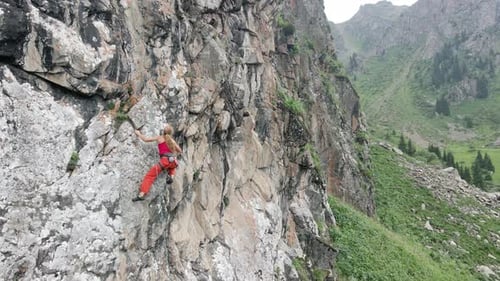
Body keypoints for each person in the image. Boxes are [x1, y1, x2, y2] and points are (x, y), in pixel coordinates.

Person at [132, 123, 182, 201]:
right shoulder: (172, 141)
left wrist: (138, 133)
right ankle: (171, 176)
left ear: (163, 132)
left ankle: (142, 194)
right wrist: (173, 151)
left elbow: (145, 139)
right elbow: (180, 150)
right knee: (172, 166)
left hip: (164, 161)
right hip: (173, 160)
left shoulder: (160, 138)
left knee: (150, 176)